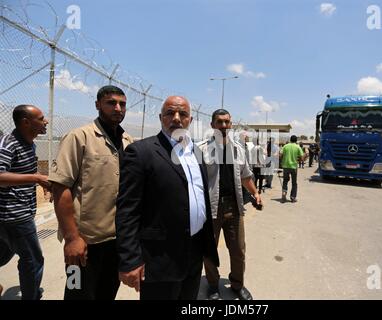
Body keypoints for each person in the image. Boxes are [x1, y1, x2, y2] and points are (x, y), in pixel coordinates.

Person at [115, 96, 219, 300]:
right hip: (160, 257)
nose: (177, 118)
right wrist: (130, 259)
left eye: (183, 114)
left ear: (191, 119)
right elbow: (127, 211)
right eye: (170, 113)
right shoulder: (141, 152)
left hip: (194, 251)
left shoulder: (195, 151)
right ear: (161, 117)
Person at [48, 85, 133, 300]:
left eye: (122, 104)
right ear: (97, 105)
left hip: (116, 240)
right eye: (111, 103)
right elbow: (60, 188)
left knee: (107, 292)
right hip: (84, 243)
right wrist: (71, 238)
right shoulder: (79, 137)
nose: (118, 108)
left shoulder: (127, 142)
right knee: (76, 292)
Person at [198, 109, 262, 301]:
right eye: (220, 122)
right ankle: (212, 285)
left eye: (227, 122)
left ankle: (237, 284)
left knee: (238, 250)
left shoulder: (238, 149)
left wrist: (255, 193)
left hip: (234, 207)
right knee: (209, 251)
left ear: (231, 125)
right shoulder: (201, 149)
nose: (224, 126)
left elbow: (245, 175)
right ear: (212, 125)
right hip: (211, 209)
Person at [0, 104, 49, 300]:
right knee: (33, 260)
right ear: (26, 122)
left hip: (18, 212)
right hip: (13, 215)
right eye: (41, 118)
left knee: (4, 254)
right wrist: (36, 178)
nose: (45, 121)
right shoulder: (9, 144)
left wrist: (38, 179)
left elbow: (22, 173)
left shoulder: (29, 143)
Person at [280, 135, 305, 203]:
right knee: (294, 183)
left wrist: (283, 160)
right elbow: (302, 157)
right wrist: (298, 161)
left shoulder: (285, 146)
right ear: (296, 140)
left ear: (290, 139)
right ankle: (293, 197)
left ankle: (284, 195)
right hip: (293, 167)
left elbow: (280, 155)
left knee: (285, 181)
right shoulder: (298, 147)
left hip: (285, 166)